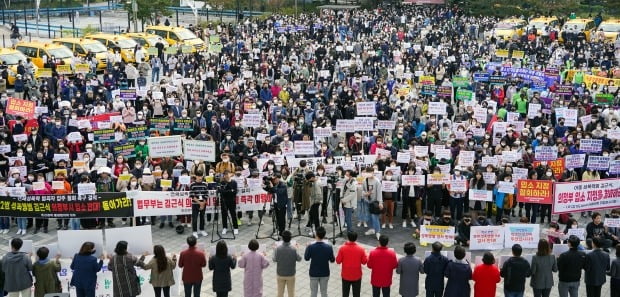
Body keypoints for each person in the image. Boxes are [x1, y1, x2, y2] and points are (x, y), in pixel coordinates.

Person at [304, 226, 335, 297]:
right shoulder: (328, 247)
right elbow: (332, 260)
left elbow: (306, 258)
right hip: (325, 272)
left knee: (313, 293)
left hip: (313, 273)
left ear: (316, 235)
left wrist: (307, 247)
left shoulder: (311, 247)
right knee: (324, 293)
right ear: (324, 235)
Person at [336, 231, 368, 297]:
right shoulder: (361, 249)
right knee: (356, 294)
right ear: (356, 239)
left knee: (345, 294)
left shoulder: (342, 248)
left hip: (346, 275)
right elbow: (364, 262)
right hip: (357, 275)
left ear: (348, 238)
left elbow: (338, 261)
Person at [272, 230, 302, 297]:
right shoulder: (293, 249)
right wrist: (297, 249)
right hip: (291, 274)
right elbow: (299, 259)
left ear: (282, 238)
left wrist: (274, 250)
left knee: (280, 293)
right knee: (291, 293)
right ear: (290, 239)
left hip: (280, 274)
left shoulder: (278, 249)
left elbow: (274, 259)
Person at [362, 167, 383, 239]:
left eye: (371, 172)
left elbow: (379, 193)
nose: (369, 174)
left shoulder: (377, 181)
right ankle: (371, 229)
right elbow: (362, 190)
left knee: (375, 217)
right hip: (367, 201)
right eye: (368, 172)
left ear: (373, 172)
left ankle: (378, 232)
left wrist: (380, 202)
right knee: (368, 216)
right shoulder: (365, 180)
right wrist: (365, 194)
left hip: (375, 202)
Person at [303, 171, 323, 236]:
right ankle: (308, 225)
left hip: (316, 202)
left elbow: (318, 194)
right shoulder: (315, 181)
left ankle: (317, 231)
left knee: (315, 217)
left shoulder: (316, 183)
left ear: (312, 178)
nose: (308, 181)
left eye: (309, 179)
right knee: (311, 213)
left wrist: (314, 202)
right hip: (315, 201)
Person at [219, 170, 239, 235]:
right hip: (224, 201)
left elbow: (235, 192)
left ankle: (235, 228)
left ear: (230, 174)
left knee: (233, 214)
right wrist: (230, 191)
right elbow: (222, 192)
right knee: (224, 215)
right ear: (224, 176)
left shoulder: (234, 182)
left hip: (232, 201)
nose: (226, 176)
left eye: (228, 174)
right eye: (225, 174)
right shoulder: (222, 183)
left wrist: (227, 191)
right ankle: (225, 227)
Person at [340, 169, 358, 234]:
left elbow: (352, 195)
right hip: (343, 201)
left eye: (347, 175)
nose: (346, 176)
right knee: (345, 216)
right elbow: (341, 190)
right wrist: (341, 198)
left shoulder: (354, 183)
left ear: (351, 176)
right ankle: (347, 228)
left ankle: (350, 230)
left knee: (348, 218)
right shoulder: (345, 181)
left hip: (349, 203)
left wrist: (343, 200)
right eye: (345, 174)